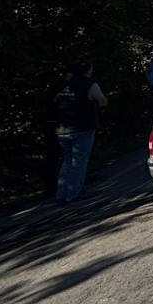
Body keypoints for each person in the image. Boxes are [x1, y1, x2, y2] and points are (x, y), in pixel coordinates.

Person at [52, 62, 108, 203]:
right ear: (87, 70)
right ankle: (74, 193)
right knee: (79, 162)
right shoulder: (89, 84)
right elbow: (102, 101)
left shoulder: (61, 85)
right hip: (83, 127)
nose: (93, 69)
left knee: (67, 161)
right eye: (91, 67)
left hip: (62, 128)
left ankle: (61, 193)